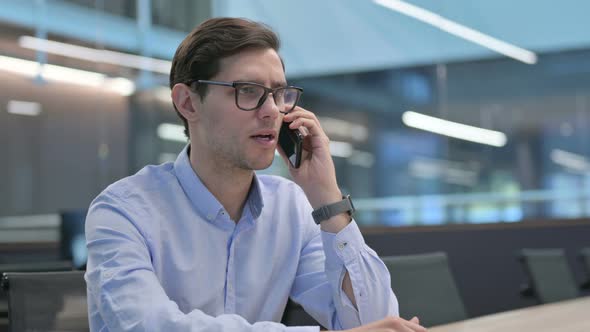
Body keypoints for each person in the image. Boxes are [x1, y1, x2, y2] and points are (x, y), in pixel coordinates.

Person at [85, 17, 426, 332]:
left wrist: (327, 198)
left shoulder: (290, 206)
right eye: (248, 91)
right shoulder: (122, 211)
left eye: (279, 93)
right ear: (188, 103)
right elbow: (150, 326)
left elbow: (375, 320)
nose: (271, 112)